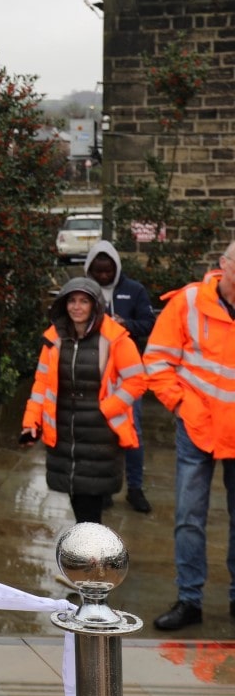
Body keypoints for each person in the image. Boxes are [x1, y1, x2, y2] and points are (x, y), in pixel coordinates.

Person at [144, 244, 235, 631]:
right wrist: (180, 405)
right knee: (188, 517)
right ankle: (189, 600)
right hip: (196, 428)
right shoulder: (189, 302)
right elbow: (158, 358)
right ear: (224, 265)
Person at [20, 277, 145, 526]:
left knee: (90, 509)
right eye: (72, 301)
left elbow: (137, 380)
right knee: (77, 502)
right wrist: (30, 422)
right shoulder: (53, 340)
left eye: (84, 301)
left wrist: (107, 409)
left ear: (95, 305)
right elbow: (41, 384)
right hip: (64, 432)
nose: (77, 307)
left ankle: (92, 559)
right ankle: (88, 556)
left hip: (99, 434)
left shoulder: (116, 339)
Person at [85, 240, 157, 513]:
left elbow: (149, 323)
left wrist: (126, 324)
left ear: (116, 268)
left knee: (132, 431)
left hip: (127, 373)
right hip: (93, 371)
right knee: (99, 433)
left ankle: (135, 488)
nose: (103, 276)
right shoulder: (84, 291)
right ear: (90, 269)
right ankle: (104, 488)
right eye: (98, 271)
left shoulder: (134, 290)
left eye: (108, 271)